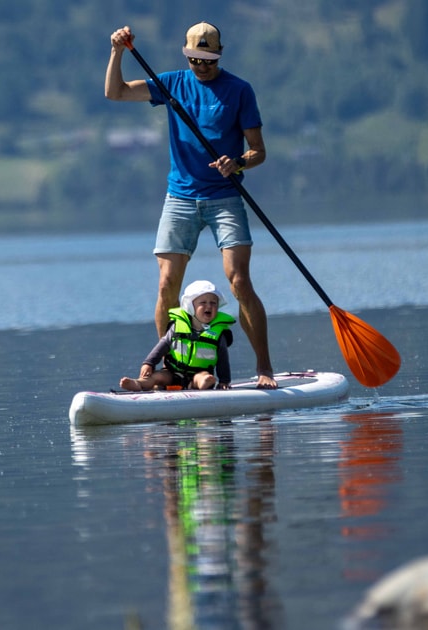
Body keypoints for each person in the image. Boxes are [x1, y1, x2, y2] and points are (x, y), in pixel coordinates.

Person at [106, 21, 277, 389]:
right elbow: (115, 92)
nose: (202, 67)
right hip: (180, 198)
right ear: (187, 55)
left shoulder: (239, 90)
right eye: (196, 60)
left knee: (239, 282)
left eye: (209, 60)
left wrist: (239, 162)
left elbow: (258, 151)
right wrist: (117, 51)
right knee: (167, 283)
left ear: (219, 55)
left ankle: (265, 367)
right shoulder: (171, 83)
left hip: (224, 196)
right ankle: (173, 371)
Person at [120, 280, 237, 392]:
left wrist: (224, 381)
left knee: (203, 377)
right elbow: (162, 345)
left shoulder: (219, 334)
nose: (209, 306)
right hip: (172, 373)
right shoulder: (177, 328)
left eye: (213, 303)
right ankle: (139, 384)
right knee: (157, 377)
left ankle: (202, 384)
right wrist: (149, 363)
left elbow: (223, 359)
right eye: (203, 303)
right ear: (191, 306)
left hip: (198, 373)